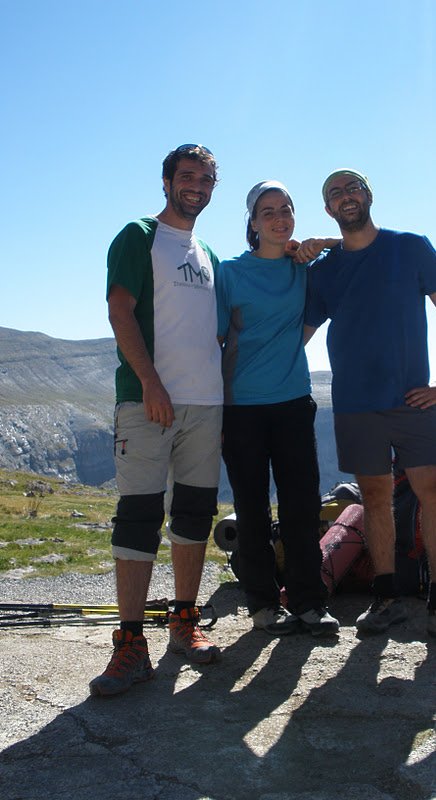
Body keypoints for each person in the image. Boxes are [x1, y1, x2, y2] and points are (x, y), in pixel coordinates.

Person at [302, 168, 436, 648]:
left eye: (351, 187)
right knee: (374, 498)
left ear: (368, 195)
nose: (345, 196)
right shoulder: (325, 270)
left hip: (411, 399)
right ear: (328, 209)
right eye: (334, 193)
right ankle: (386, 598)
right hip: (355, 403)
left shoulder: (410, 246)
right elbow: (300, 334)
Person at [90, 144, 224, 697]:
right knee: (139, 515)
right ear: (167, 181)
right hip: (148, 401)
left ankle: (182, 625)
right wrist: (150, 382)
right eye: (187, 176)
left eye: (205, 178)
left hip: (206, 405)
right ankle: (129, 644)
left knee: (194, 513)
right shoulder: (138, 235)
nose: (196, 185)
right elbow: (119, 308)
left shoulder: (207, 249)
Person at [216, 180, 339, 637]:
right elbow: (214, 340)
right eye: (266, 211)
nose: (277, 216)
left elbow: (352, 244)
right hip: (242, 406)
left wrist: (315, 243)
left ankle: (310, 604)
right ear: (252, 223)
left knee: (301, 507)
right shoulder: (229, 272)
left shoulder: (301, 266)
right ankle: (263, 606)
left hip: (292, 400)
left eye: (285, 209)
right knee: (251, 508)